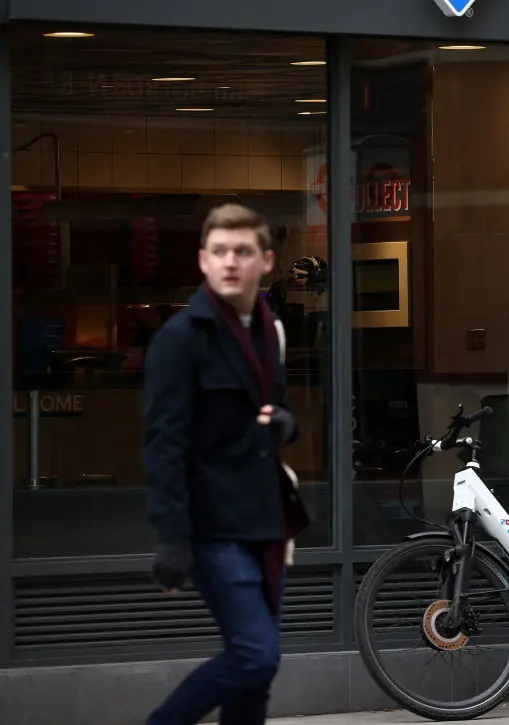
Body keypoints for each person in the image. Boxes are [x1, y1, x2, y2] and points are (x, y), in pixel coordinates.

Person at [142, 203, 310, 725]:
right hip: (212, 527)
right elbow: (163, 444)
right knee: (254, 655)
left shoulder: (271, 330)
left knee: (255, 679)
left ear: (264, 260)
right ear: (202, 261)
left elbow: (276, 409)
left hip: (265, 521)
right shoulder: (180, 340)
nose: (230, 262)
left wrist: (286, 424)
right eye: (219, 252)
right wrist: (172, 538)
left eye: (241, 251)